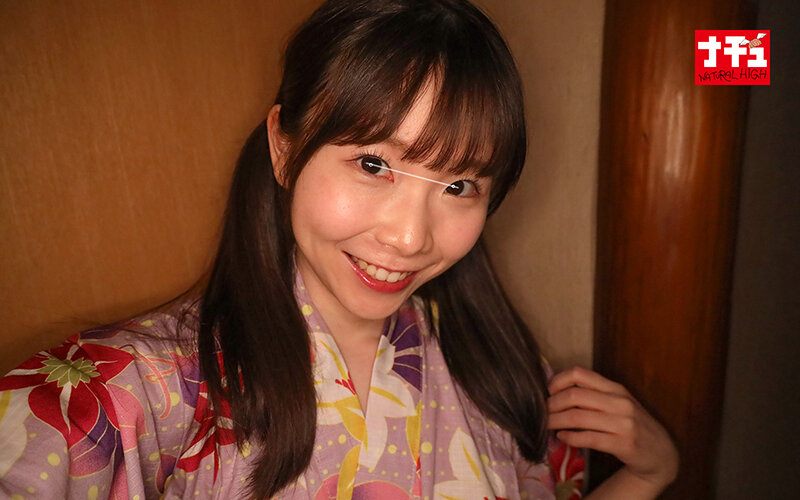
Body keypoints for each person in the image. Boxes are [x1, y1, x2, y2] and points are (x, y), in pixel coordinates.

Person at [0, 0, 679, 498]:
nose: (409, 237)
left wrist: (650, 473)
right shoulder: (131, 391)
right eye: (374, 165)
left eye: (458, 185)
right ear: (284, 146)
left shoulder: (499, 372)